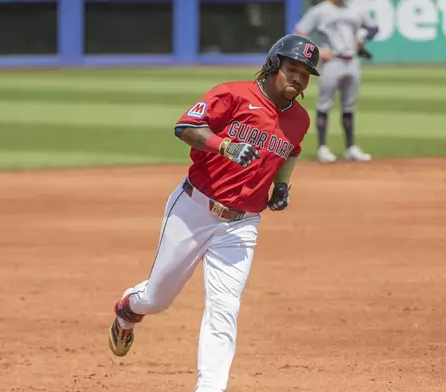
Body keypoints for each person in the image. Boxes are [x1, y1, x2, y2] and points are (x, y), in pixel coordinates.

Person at [107, 34, 321, 392]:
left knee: (224, 310)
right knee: (157, 299)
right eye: (292, 69)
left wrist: (282, 186)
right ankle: (129, 309)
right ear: (274, 66)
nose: (298, 79)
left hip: (242, 225)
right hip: (194, 208)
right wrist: (226, 146)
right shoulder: (234, 94)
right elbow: (185, 128)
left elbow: (292, 151)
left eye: (305, 74)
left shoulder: (299, 118)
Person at [294, 0, 379, 163]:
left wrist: (363, 38)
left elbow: (373, 28)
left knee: (349, 105)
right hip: (332, 61)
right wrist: (316, 50)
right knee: (324, 104)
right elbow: (299, 32)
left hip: (353, 61)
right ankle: (322, 148)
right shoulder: (320, 10)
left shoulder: (356, 8)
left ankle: (350, 147)